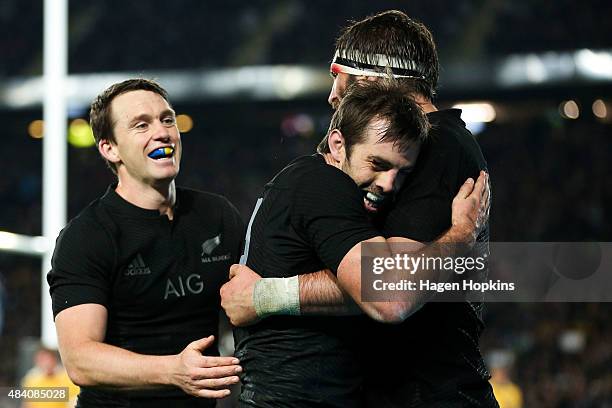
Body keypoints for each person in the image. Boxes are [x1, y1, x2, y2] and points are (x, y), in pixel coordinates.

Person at [222, 10, 498, 407]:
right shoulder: (413, 149)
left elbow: (388, 288)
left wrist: (267, 295)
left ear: (369, 81)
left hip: (427, 394)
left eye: (339, 77)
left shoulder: (436, 146)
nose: (333, 95)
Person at [47, 79, 244, 407]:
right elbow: (80, 359)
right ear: (110, 148)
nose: (163, 132)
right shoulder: (87, 236)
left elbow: (254, 300)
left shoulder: (217, 215)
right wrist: (172, 370)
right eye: (141, 124)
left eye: (167, 119)